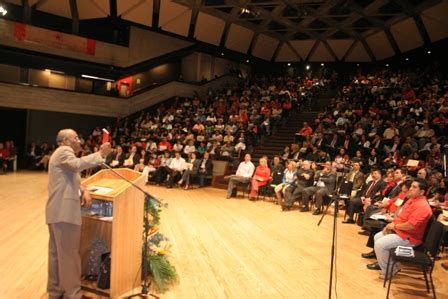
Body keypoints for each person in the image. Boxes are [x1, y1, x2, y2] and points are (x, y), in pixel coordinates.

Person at [46, 129, 111, 299]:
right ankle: (73, 295)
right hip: (64, 213)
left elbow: (69, 179)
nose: (79, 141)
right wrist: (100, 154)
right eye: (76, 137)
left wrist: (84, 189)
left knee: (57, 255)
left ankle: (55, 291)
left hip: (57, 212)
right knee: (69, 256)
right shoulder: (64, 152)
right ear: (65, 141)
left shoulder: (61, 155)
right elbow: (77, 165)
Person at [368, 179, 432, 280]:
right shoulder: (412, 200)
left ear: (422, 192)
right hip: (401, 232)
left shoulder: (422, 206)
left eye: (414, 187)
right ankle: (394, 266)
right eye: (411, 186)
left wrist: (394, 226)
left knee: (380, 244)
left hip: (410, 238)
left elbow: (411, 226)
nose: (410, 188)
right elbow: (400, 217)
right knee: (377, 237)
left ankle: (389, 271)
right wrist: (391, 225)